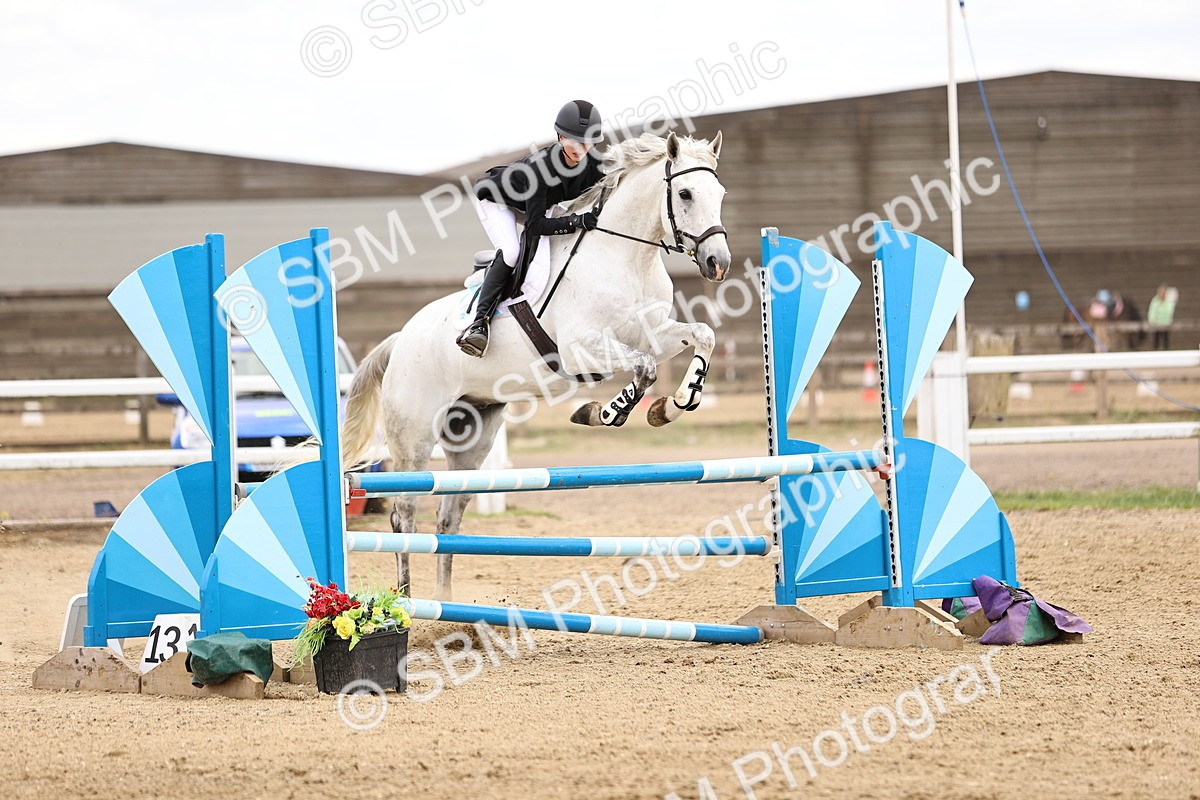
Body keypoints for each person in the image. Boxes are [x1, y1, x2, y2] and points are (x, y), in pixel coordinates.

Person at [455, 100, 607, 358]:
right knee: (512, 251)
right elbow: (535, 226)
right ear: (560, 136)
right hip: (496, 200)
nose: (581, 149)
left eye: (588, 142)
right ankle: (479, 323)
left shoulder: (594, 165)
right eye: (574, 141)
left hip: (536, 203)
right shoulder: (541, 168)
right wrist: (575, 222)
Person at [1147, 284, 1177, 350]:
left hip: (1166, 323)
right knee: (1156, 341)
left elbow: (1170, 311)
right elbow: (1152, 311)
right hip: (1156, 324)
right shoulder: (1155, 301)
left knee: (1166, 340)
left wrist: (1169, 321)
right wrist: (1152, 320)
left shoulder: (1169, 301)